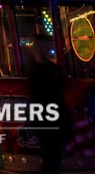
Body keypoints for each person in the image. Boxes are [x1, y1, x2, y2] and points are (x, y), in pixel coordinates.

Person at [29, 36, 72, 174]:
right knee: (53, 155)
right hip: (54, 115)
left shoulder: (34, 70)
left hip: (43, 116)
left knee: (49, 154)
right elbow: (61, 89)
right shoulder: (52, 70)